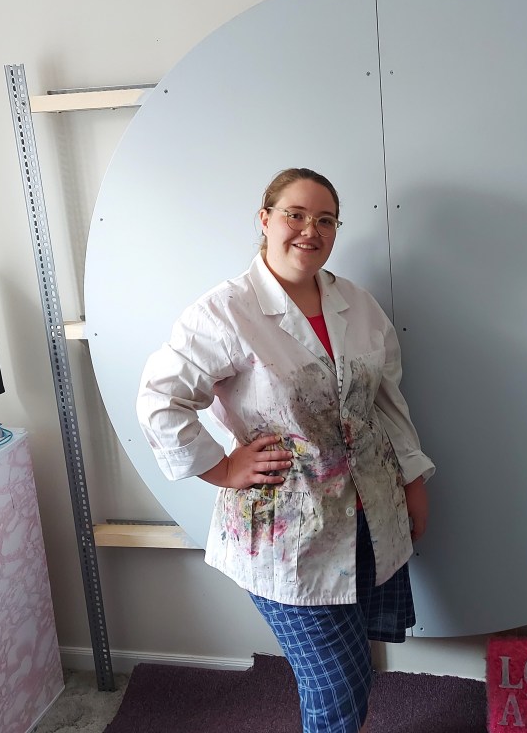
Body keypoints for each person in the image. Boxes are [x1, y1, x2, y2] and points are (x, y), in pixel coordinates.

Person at [136, 167, 435, 733]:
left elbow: (386, 404)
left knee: (353, 673)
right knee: (336, 683)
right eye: (295, 215)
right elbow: (159, 400)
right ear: (265, 219)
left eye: (326, 220)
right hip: (284, 534)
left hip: (370, 516)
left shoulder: (357, 305)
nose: (309, 230)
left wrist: (413, 483)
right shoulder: (226, 311)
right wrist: (222, 468)